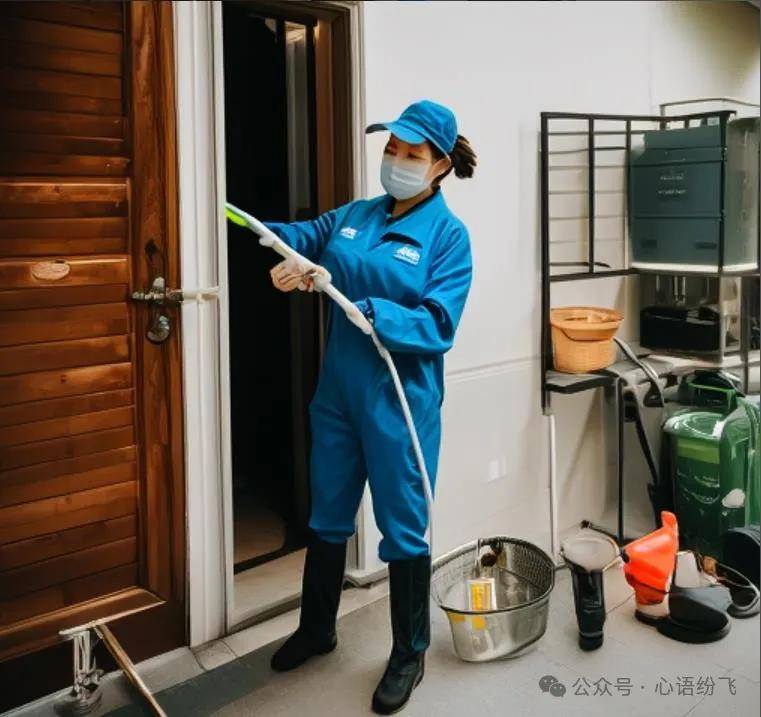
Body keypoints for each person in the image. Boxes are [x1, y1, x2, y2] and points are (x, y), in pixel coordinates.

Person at [263, 99, 476, 714]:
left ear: (439, 166)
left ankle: (409, 653)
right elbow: (304, 238)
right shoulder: (356, 215)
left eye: (412, 154)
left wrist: (370, 312)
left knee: (402, 526)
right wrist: (285, 254)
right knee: (328, 511)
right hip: (338, 394)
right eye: (391, 149)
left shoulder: (448, 237)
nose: (397, 161)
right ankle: (317, 630)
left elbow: (438, 323)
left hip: (399, 400)